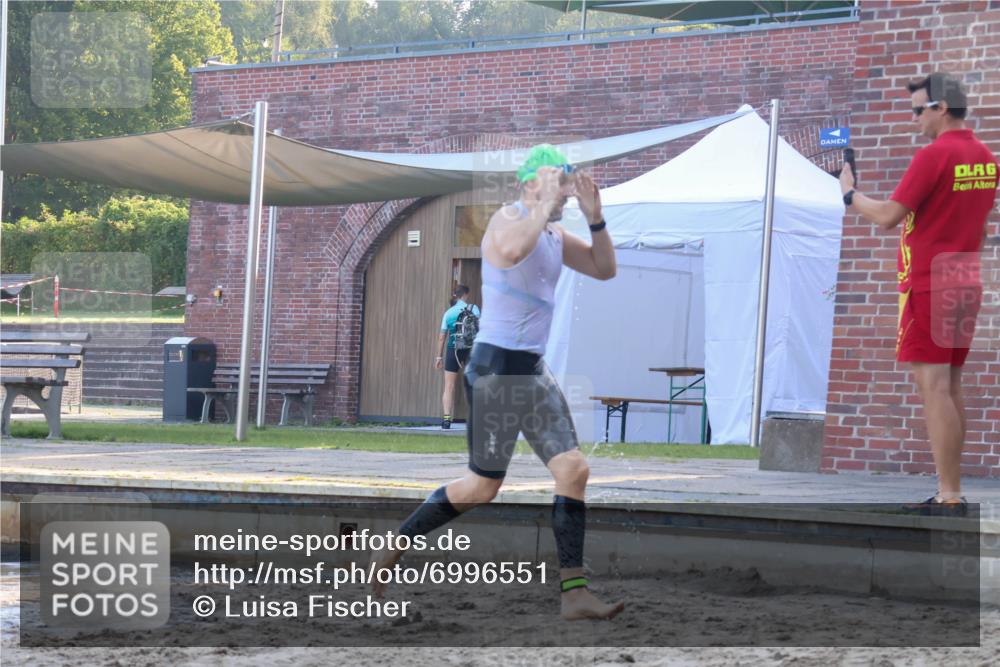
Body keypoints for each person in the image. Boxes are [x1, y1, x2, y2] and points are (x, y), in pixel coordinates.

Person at [373, 144, 624, 620]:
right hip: (494, 370)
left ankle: (574, 594)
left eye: (567, 184)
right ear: (530, 183)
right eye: (559, 182)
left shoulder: (552, 233)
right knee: (482, 487)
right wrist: (539, 202)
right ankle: (396, 542)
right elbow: (511, 251)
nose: (568, 192)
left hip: (532, 369)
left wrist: (596, 220)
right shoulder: (506, 220)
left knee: (574, 471)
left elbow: (604, 269)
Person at [839, 72, 998, 514]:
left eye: (918, 110)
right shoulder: (985, 156)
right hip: (965, 277)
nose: (915, 121)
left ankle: (949, 495)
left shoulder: (934, 156)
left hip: (930, 281)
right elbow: (980, 227)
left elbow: (889, 216)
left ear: (941, 108)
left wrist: (851, 196)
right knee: (951, 386)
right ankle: (952, 489)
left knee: (934, 387)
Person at [436, 285, 480, 429]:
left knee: (449, 386)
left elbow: (442, 337)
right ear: (465, 295)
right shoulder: (474, 309)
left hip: (453, 350)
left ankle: (447, 420)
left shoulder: (448, 313)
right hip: (470, 350)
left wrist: (439, 357)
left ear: (455, 296)